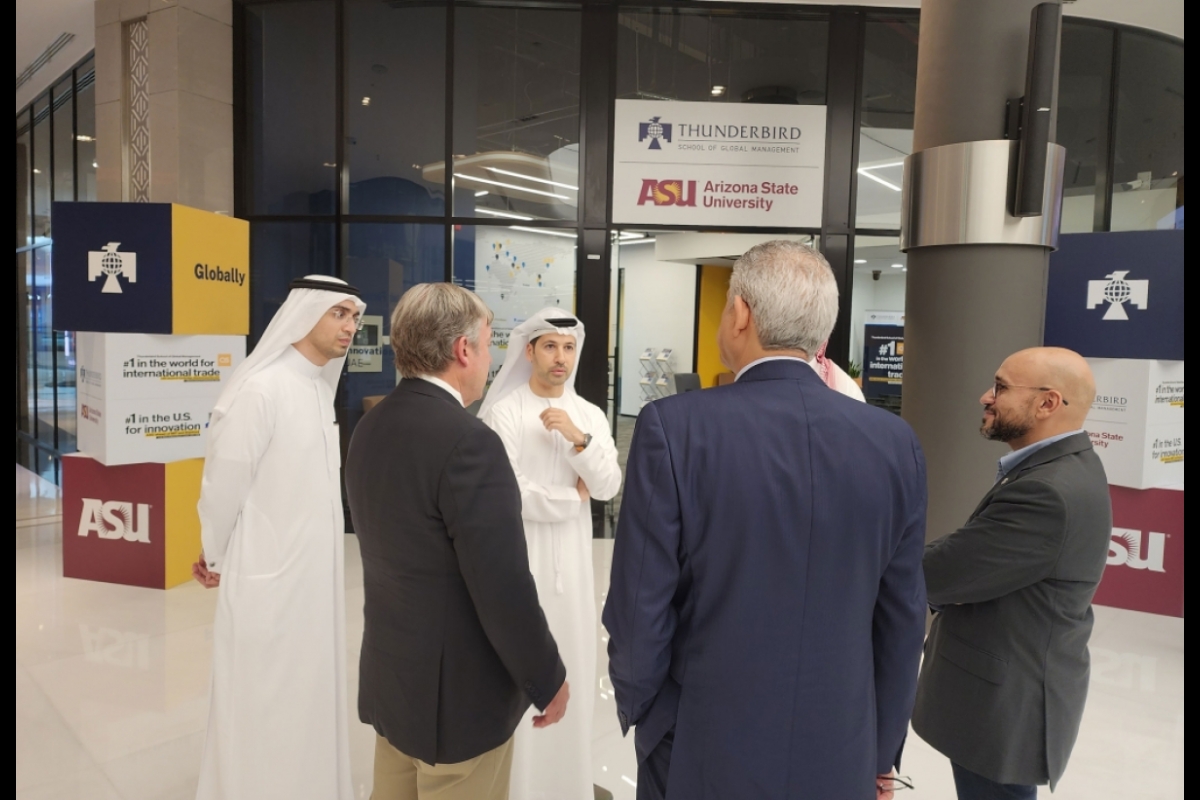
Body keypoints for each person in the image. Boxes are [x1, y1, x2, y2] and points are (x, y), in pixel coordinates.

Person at [603, 240, 928, 800]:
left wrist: (644, 711)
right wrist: (882, 750)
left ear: (742, 315)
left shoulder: (672, 428)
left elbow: (639, 602)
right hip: (841, 742)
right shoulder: (895, 442)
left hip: (699, 736)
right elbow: (902, 616)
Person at [345, 283, 570, 800]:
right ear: (462, 350)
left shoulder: (371, 425)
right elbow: (503, 586)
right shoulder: (469, 442)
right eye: (488, 345)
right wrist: (546, 678)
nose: (490, 360)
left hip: (394, 681)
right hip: (458, 703)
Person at [191, 275, 365, 800]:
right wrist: (214, 552)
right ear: (302, 313)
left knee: (307, 695)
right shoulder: (262, 388)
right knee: (261, 696)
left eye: (353, 317)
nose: (350, 327)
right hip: (266, 574)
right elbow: (224, 483)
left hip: (313, 580)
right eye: (338, 314)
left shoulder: (316, 387)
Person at [912, 347, 1111, 800]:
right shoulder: (1063, 467)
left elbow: (944, 571)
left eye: (1001, 387)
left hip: (1005, 706)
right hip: (1009, 691)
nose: (986, 396)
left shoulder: (1047, 491)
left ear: (1048, 403)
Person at [479, 308, 623, 800]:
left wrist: (577, 439)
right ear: (529, 352)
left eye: (568, 347)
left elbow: (607, 485)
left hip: (576, 574)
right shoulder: (504, 413)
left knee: (573, 667)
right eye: (549, 346)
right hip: (521, 564)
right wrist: (570, 497)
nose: (560, 357)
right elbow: (507, 493)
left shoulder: (589, 415)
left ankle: (566, 786)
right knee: (519, 672)